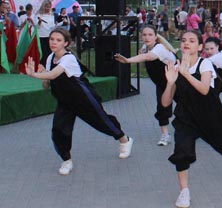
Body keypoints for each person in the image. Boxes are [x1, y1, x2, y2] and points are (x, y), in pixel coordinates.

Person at [24, 27, 133, 176]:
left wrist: (35, 75)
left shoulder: (68, 58)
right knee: (59, 130)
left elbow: (54, 74)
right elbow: (48, 82)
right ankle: (66, 160)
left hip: (84, 99)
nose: (54, 42)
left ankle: (124, 140)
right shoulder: (50, 58)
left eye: (58, 40)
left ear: (66, 43)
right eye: (51, 39)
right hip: (65, 101)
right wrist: (43, 76)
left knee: (102, 122)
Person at [161, 30, 222, 208]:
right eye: (184, 40)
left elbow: (204, 89)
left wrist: (186, 74)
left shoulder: (205, 64)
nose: (186, 43)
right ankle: (184, 191)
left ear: (200, 46)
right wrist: (170, 83)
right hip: (185, 118)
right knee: (182, 152)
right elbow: (165, 103)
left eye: (192, 40)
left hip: (210, 116)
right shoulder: (176, 67)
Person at [114, 25, 177, 146]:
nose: (147, 37)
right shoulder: (145, 48)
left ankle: (195, 128)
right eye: (144, 35)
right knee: (162, 107)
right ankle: (165, 134)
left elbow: (149, 57)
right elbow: (144, 65)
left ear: (155, 36)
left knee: (186, 105)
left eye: (150, 35)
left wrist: (128, 60)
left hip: (177, 80)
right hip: (162, 83)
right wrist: (140, 57)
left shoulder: (160, 48)